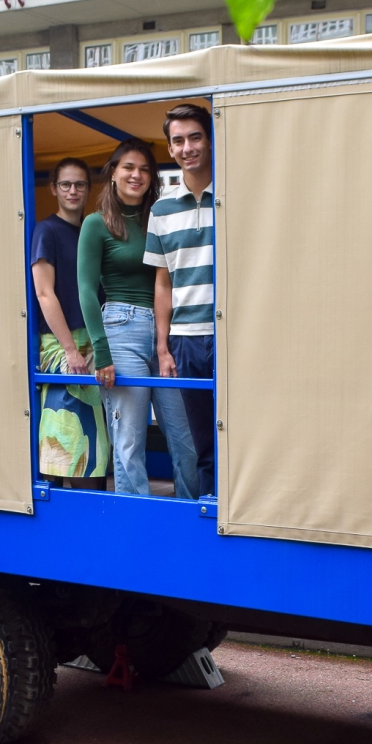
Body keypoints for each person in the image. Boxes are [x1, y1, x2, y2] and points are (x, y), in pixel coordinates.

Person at [77, 139, 198, 498]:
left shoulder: (161, 217)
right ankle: (137, 524)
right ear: (113, 172)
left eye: (145, 169)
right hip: (121, 328)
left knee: (184, 436)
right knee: (129, 439)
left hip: (168, 334)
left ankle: (189, 516)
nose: (137, 175)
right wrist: (102, 352)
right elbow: (85, 290)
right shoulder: (95, 224)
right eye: (129, 167)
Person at [147, 103, 217, 497]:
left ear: (208, 140)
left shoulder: (231, 195)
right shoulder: (161, 209)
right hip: (186, 340)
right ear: (170, 149)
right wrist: (163, 347)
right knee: (202, 445)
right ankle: (211, 521)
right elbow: (163, 283)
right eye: (178, 140)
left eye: (195, 137)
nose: (187, 147)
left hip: (231, 333)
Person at [32, 157, 109, 484]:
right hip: (62, 344)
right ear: (54, 189)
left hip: (94, 342)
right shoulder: (46, 230)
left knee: (98, 441)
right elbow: (44, 293)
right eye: (66, 184)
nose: (73, 191)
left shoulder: (92, 229)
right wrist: (69, 349)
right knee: (65, 438)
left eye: (79, 184)